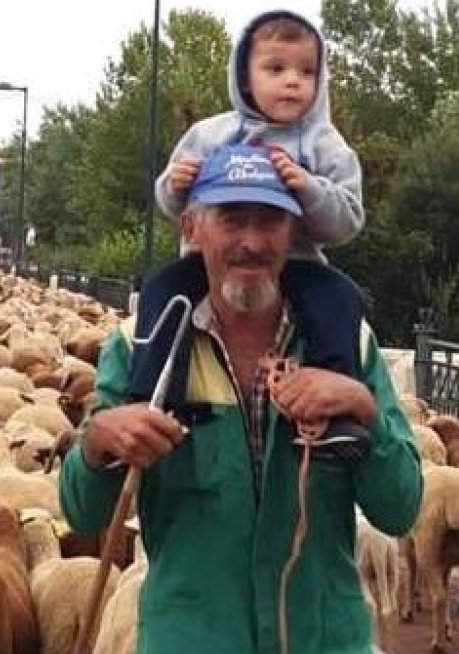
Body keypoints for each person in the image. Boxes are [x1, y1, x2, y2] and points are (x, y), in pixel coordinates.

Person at [61, 146, 422, 654]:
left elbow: (400, 509)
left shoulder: (345, 345)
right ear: (193, 227)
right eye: (231, 219)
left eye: (270, 220)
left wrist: (362, 407)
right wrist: (96, 445)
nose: (250, 242)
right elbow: (84, 514)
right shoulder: (143, 348)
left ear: (293, 232)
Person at [155, 8, 370, 459]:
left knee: (339, 299)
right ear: (245, 77)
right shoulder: (211, 134)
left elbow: (347, 219)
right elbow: (175, 201)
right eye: (276, 69)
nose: (292, 81)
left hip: (299, 265)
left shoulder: (324, 144)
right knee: (162, 292)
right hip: (209, 266)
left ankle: (335, 415)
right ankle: (155, 398)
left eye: (306, 71)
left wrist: (308, 189)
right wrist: (174, 186)